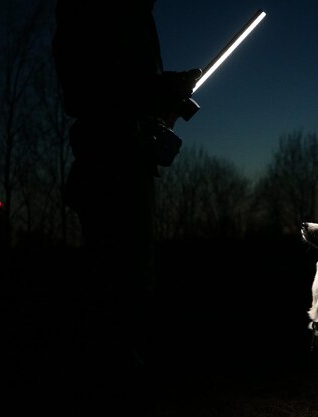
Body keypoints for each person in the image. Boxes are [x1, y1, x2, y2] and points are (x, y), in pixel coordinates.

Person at [51, 1, 200, 415]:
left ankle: (125, 383)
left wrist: (162, 101)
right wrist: (158, 90)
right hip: (109, 164)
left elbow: (125, 90)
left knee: (135, 287)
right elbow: (88, 90)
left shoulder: (135, 16)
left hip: (131, 160)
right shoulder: (95, 12)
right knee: (115, 291)